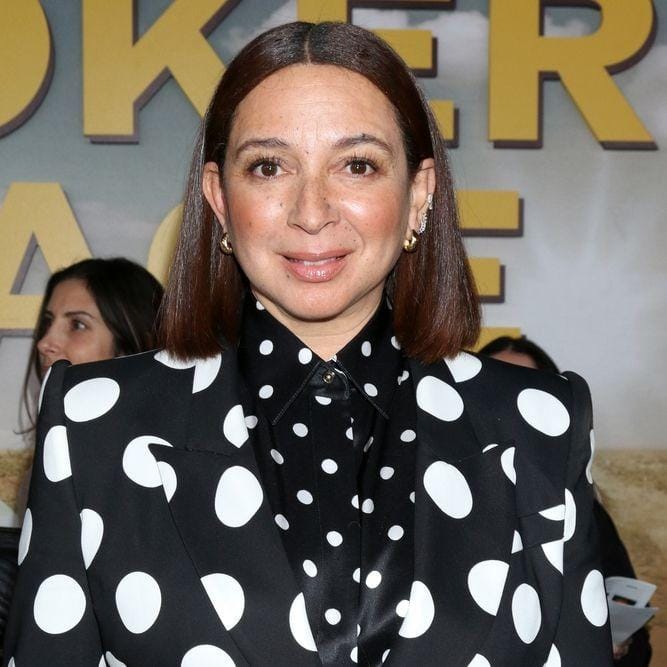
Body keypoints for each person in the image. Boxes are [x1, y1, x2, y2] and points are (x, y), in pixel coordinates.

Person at [4, 22, 613, 666]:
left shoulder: (540, 424)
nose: (312, 211)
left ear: (418, 194)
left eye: (357, 165)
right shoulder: (94, 423)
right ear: (219, 199)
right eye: (269, 167)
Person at [479, 335, 652, 666]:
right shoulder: (439, 500)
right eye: (495, 389)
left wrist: (618, 642)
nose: (510, 406)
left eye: (525, 390)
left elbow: (639, 642)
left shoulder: (583, 508)